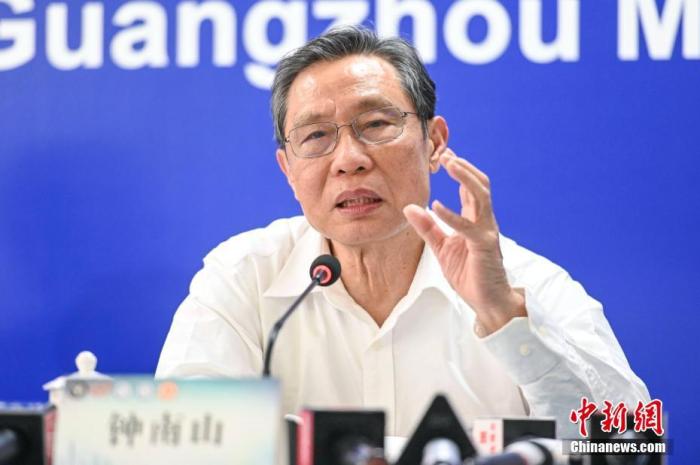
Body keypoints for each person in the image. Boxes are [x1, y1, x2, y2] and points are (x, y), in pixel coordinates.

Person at [156, 26, 649, 439]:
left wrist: (505, 317)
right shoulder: (243, 277)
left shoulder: (524, 284)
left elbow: (632, 444)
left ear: (433, 143)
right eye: (316, 136)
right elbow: (180, 442)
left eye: (375, 124)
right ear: (288, 170)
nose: (349, 160)